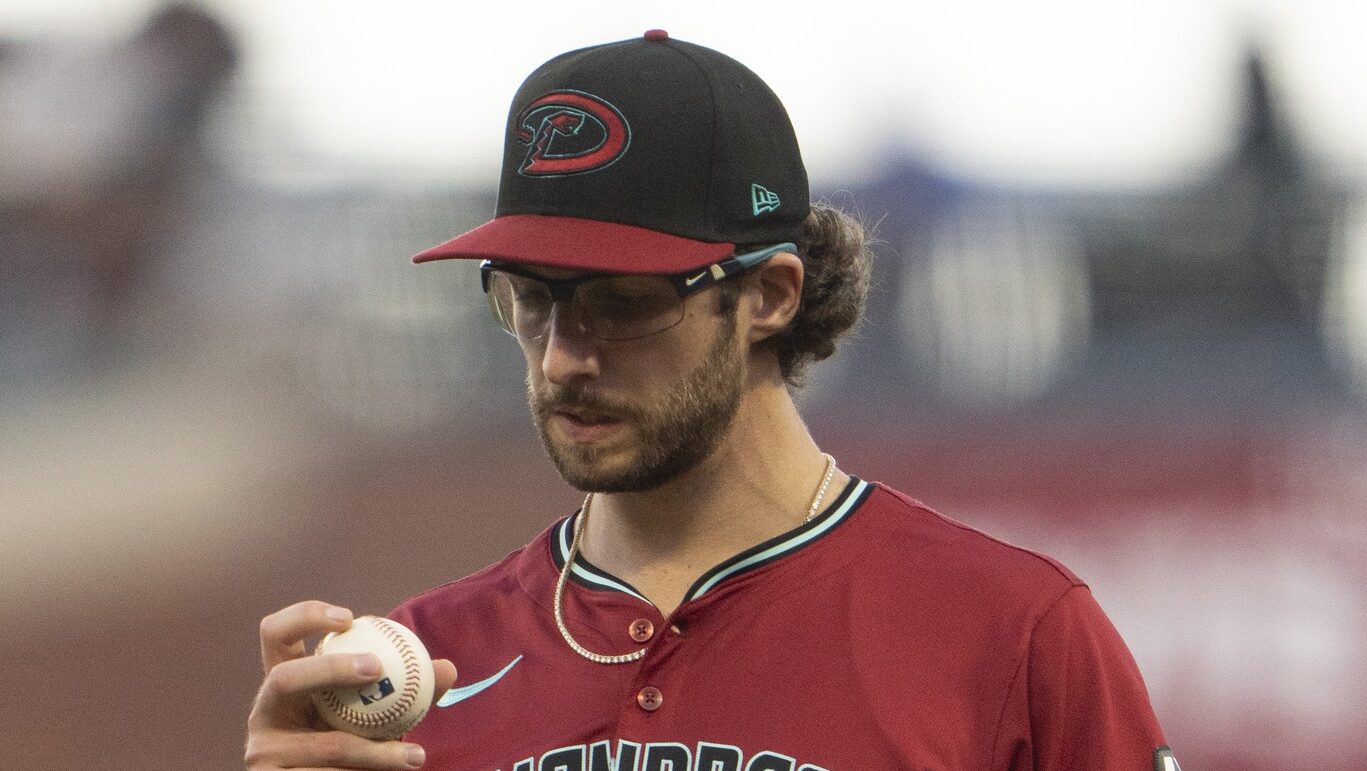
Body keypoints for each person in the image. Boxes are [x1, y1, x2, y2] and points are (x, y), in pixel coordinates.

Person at [246, 30, 1176, 771]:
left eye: (623, 302)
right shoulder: (422, 665)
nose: (564, 355)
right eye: (531, 299)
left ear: (769, 295)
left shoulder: (1011, 635)